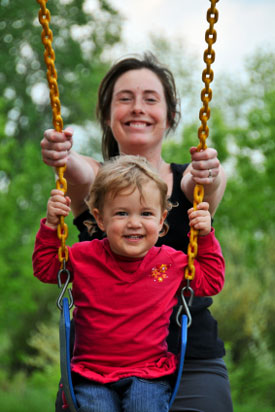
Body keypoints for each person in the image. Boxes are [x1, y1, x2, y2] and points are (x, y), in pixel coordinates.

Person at [41, 53, 233, 412]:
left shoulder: (187, 180)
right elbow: (80, 171)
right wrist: (62, 153)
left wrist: (210, 170)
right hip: (99, 367)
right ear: (107, 114)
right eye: (124, 98)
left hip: (190, 357)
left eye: (150, 98)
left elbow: (204, 181)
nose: (137, 108)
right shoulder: (94, 182)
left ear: (170, 115)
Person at [33, 155, 225, 412]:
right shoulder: (83, 256)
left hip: (149, 374)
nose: (134, 223)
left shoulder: (171, 263)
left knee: (143, 406)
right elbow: (46, 268)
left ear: (161, 220)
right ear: (101, 219)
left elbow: (211, 281)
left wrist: (204, 236)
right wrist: (52, 224)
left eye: (146, 213)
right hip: (90, 374)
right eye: (122, 213)